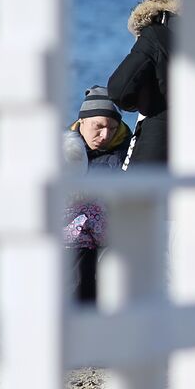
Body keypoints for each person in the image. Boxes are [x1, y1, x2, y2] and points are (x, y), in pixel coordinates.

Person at [64, 87, 131, 302]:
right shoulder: (64, 151)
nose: (105, 135)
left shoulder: (127, 153)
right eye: (98, 127)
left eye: (112, 128)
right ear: (82, 121)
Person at [109, 0, 178, 169]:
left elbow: (118, 89)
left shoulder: (154, 34)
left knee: (137, 199)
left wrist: (141, 103)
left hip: (157, 146)